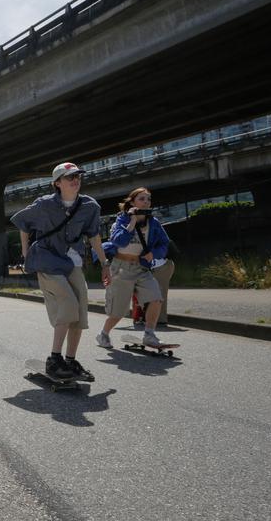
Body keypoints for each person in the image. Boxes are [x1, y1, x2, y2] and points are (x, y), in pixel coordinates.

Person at [10, 162, 109, 381]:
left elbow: (94, 235)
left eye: (77, 176)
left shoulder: (89, 206)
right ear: (57, 183)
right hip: (47, 260)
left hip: (72, 262)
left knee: (80, 311)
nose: (75, 180)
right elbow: (23, 223)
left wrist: (104, 263)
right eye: (69, 177)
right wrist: (26, 254)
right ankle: (54, 360)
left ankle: (70, 361)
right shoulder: (44, 205)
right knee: (68, 304)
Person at [97, 187, 170, 349]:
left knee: (156, 298)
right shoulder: (121, 220)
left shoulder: (154, 223)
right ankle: (103, 334)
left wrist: (154, 253)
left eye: (148, 199)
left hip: (141, 267)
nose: (146, 202)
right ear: (132, 202)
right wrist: (133, 221)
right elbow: (118, 242)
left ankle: (149, 334)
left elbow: (164, 244)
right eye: (142, 199)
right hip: (120, 268)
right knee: (119, 311)